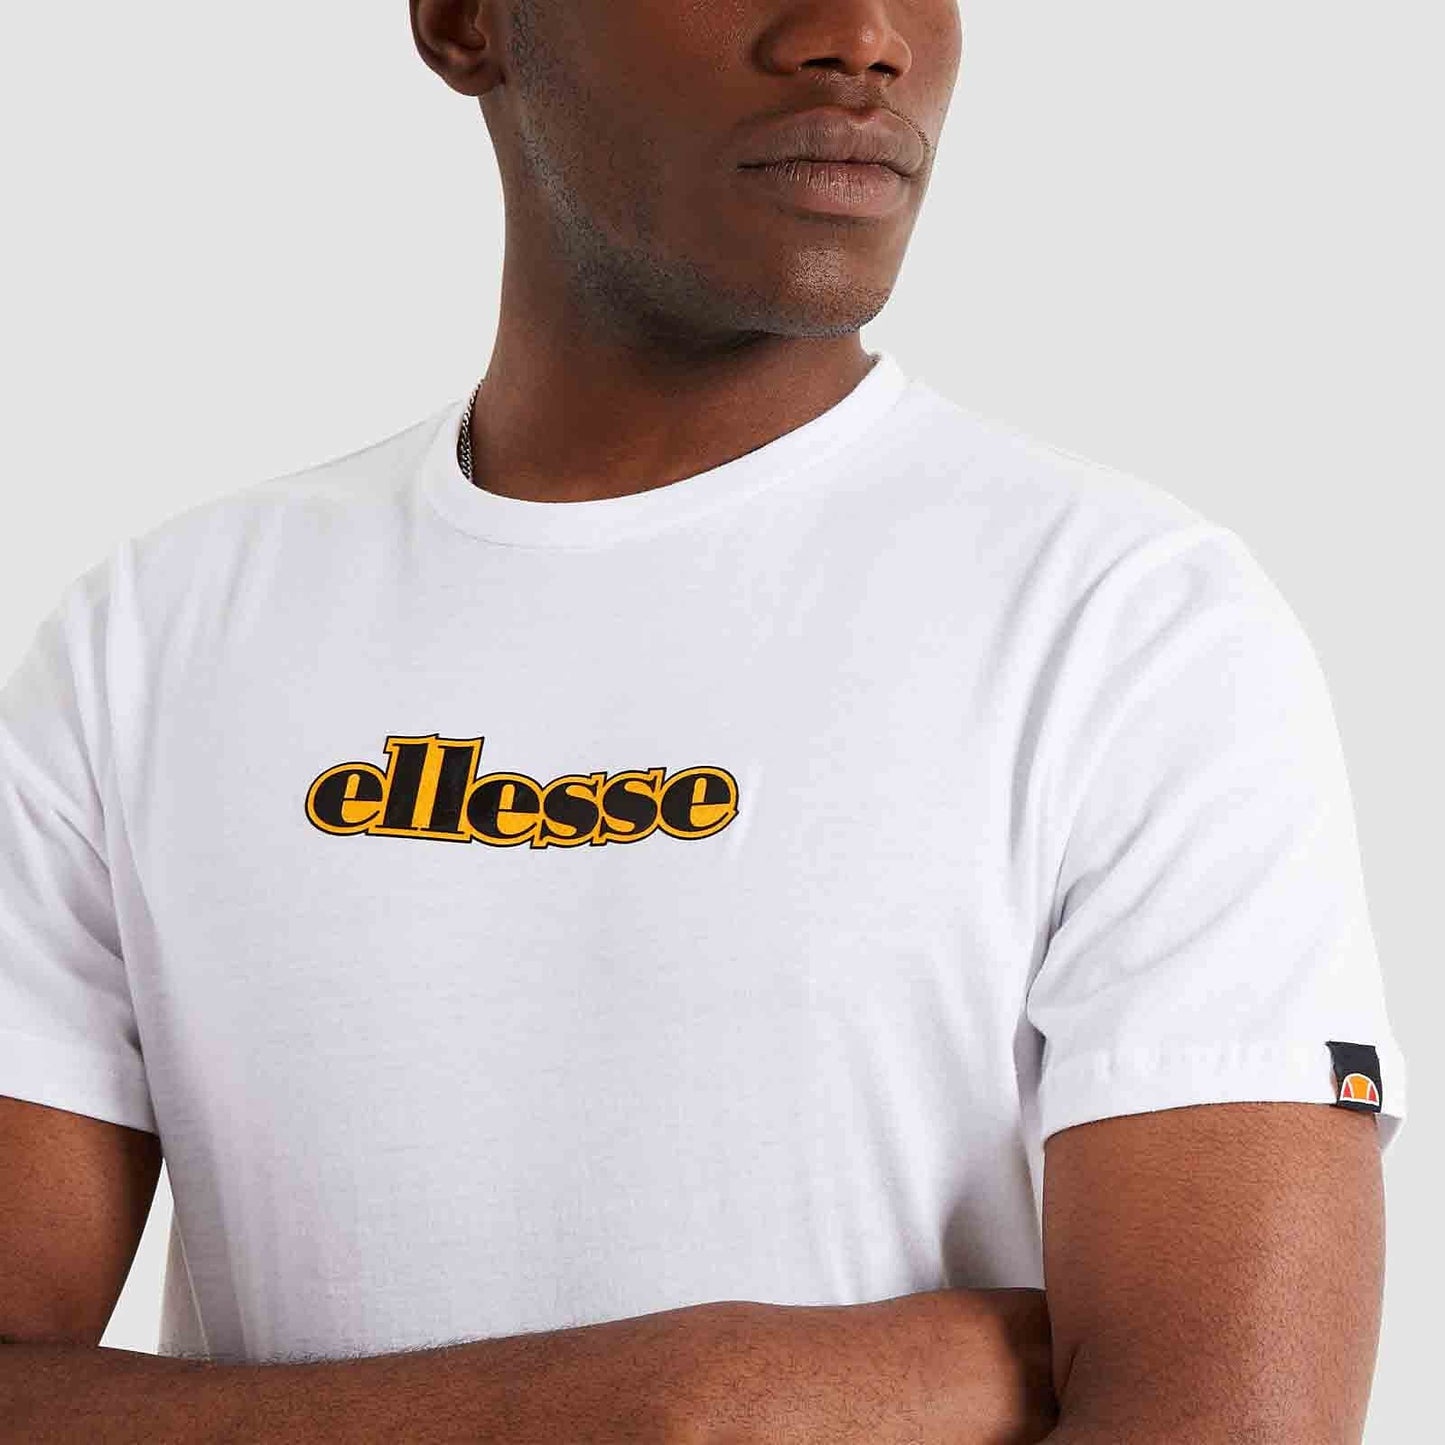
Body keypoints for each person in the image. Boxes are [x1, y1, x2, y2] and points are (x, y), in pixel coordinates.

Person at [0, 2, 1406, 1440]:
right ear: (467, 22)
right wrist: (687, 1398)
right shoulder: (153, 636)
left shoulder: (1134, 629)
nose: (863, 36)